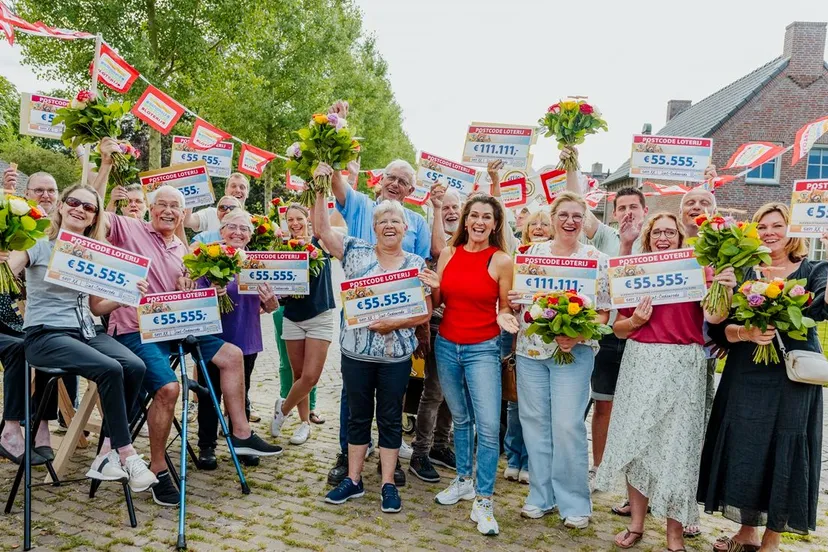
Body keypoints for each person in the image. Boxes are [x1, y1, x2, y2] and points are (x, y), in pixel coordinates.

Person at [91, 177, 282, 507]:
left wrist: (195, 289)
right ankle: (159, 469)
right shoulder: (131, 228)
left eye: (174, 207)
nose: (168, 211)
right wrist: (105, 168)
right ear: (151, 208)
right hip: (137, 329)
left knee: (232, 355)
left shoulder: (184, 249)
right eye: (162, 205)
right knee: (168, 389)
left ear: (183, 214)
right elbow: (92, 212)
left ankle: (241, 435)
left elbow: (192, 295)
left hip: (176, 326)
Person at [0, 184, 157, 492]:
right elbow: (9, 271)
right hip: (46, 335)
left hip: (87, 331)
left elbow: (97, 306)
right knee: (110, 369)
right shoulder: (38, 243)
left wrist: (125, 297)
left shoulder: (94, 254)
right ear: (61, 206)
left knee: (135, 366)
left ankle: (106, 452)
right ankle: (126, 453)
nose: (80, 209)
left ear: (94, 217)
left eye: (89, 207)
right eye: (74, 202)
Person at [595, 212, 735, 552]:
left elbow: (715, 318)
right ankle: (637, 524)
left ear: (679, 236)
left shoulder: (699, 269)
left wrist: (724, 287)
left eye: (669, 232)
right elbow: (618, 328)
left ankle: (674, 535)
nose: (663, 237)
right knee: (637, 443)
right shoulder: (636, 272)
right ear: (648, 237)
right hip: (641, 359)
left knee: (679, 449)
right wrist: (637, 320)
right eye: (656, 232)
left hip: (684, 362)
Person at [699, 203, 825, 552]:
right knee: (747, 445)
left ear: (792, 229)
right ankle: (746, 532)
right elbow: (719, 326)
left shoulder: (813, 268)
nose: (770, 232)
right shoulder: (741, 270)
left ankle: (772, 539)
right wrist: (747, 333)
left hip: (793, 376)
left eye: (777, 225)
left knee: (784, 447)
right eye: (763, 226)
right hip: (747, 370)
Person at [327, 100, 430, 488]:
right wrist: (338, 127)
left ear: (411, 189)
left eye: (404, 181)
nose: (396, 184)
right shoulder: (360, 204)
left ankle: (389, 465)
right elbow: (337, 182)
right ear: (379, 178)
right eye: (391, 176)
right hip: (358, 318)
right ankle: (345, 456)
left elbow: (422, 270)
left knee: (391, 400)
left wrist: (416, 325)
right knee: (353, 397)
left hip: (399, 323)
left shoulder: (418, 221)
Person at [313, 179, 433, 514]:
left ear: (405, 228)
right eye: (383, 222)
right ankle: (353, 480)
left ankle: (388, 483)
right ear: (374, 227)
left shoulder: (416, 264)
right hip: (356, 353)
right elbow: (321, 229)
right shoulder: (354, 250)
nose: (389, 226)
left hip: (395, 357)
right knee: (357, 416)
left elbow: (423, 311)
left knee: (391, 418)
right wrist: (320, 186)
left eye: (395, 221)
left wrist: (394, 323)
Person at [506, 192, 610, 528]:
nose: (569, 222)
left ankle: (575, 502)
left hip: (574, 353)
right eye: (563, 215)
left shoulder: (597, 259)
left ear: (584, 220)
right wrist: (514, 302)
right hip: (531, 352)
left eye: (577, 216)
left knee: (567, 425)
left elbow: (606, 312)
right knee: (534, 423)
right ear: (552, 218)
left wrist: (578, 335)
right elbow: (515, 302)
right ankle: (541, 495)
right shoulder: (529, 255)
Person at [420, 194, 519, 536]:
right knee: (460, 419)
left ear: (495, 224)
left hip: (483, 349)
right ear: (465, 220)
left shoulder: (502, 260)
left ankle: (485, 499)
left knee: (489, 427)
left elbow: (504, 307)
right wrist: (432, 288)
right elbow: (439, 302)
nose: (478, 222)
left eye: (486, 217)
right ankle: (463, 480)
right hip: (447, 346)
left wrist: (506, 317)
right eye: (473, 216)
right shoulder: (448, 253)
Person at [196, 210, 280, 470]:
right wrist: (212, 293)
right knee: (210, 393)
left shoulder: (257, 264)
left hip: (246, 334)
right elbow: (194, 297)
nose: (238, 233)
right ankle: (207, 445)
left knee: (241, 390)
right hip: (213, 337)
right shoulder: (206, 258)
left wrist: (271, 303)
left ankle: (240, 441)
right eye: (232, 227)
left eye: (244, 229)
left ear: (251, 236)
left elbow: (268, 305)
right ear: (221, 231)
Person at [270, 203, 336, 445]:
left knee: (310, 377)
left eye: (299, 218)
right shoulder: (283, 248)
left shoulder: (322, 243)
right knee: (298, 373)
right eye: (290, 220)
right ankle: (303, 424)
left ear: (309, 219)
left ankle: (283, 409)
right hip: (293, 317)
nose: (295, 223)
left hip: (320, 315)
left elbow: (325, 225)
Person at [407, 189, 461, 483]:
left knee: (453, 395)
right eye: (446, 208)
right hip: (438, 324)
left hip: (465, 327)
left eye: (455, 207)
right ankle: (420, 452)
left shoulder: (470, 241)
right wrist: (423, 327)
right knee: (434, 392)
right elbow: (438, 254)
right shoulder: (433, 243)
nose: (451, 212)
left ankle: (441, 445)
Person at [183, 172, 250, 233]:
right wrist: (190, 193)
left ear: (247, 193)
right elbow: (187, 222)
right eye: (233, 186)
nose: (238, 190)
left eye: (242, 187)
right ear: (226, 190)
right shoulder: (210, 214)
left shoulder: (254, 221)